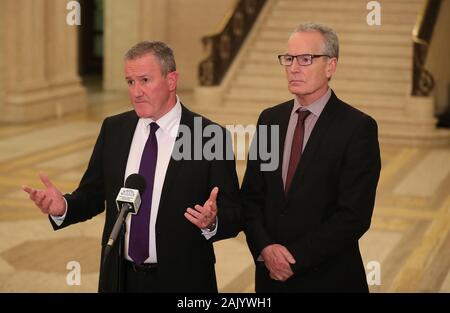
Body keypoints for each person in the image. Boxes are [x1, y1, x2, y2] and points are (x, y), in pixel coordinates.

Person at [22, 41, 241, 292]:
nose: (136, 91)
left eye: (145, 80)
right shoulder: (114, 129)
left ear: (172, 80)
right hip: (121, 279)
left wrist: (212, 222)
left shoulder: (208, 136)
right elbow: (93, 195)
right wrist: (64, 206)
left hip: (183, 280)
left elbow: (235, 213)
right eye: (130, 82)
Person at [241, 23, 381, 292]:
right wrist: (266, 248)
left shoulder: (357, 128)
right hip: (270, 279)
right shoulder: (270, 119)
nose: (293, 68)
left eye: (306, 59)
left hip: (329, 278)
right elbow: (252, 196)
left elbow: (353, 215)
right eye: (289, 59)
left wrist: (294, 259)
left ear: (330, 66)